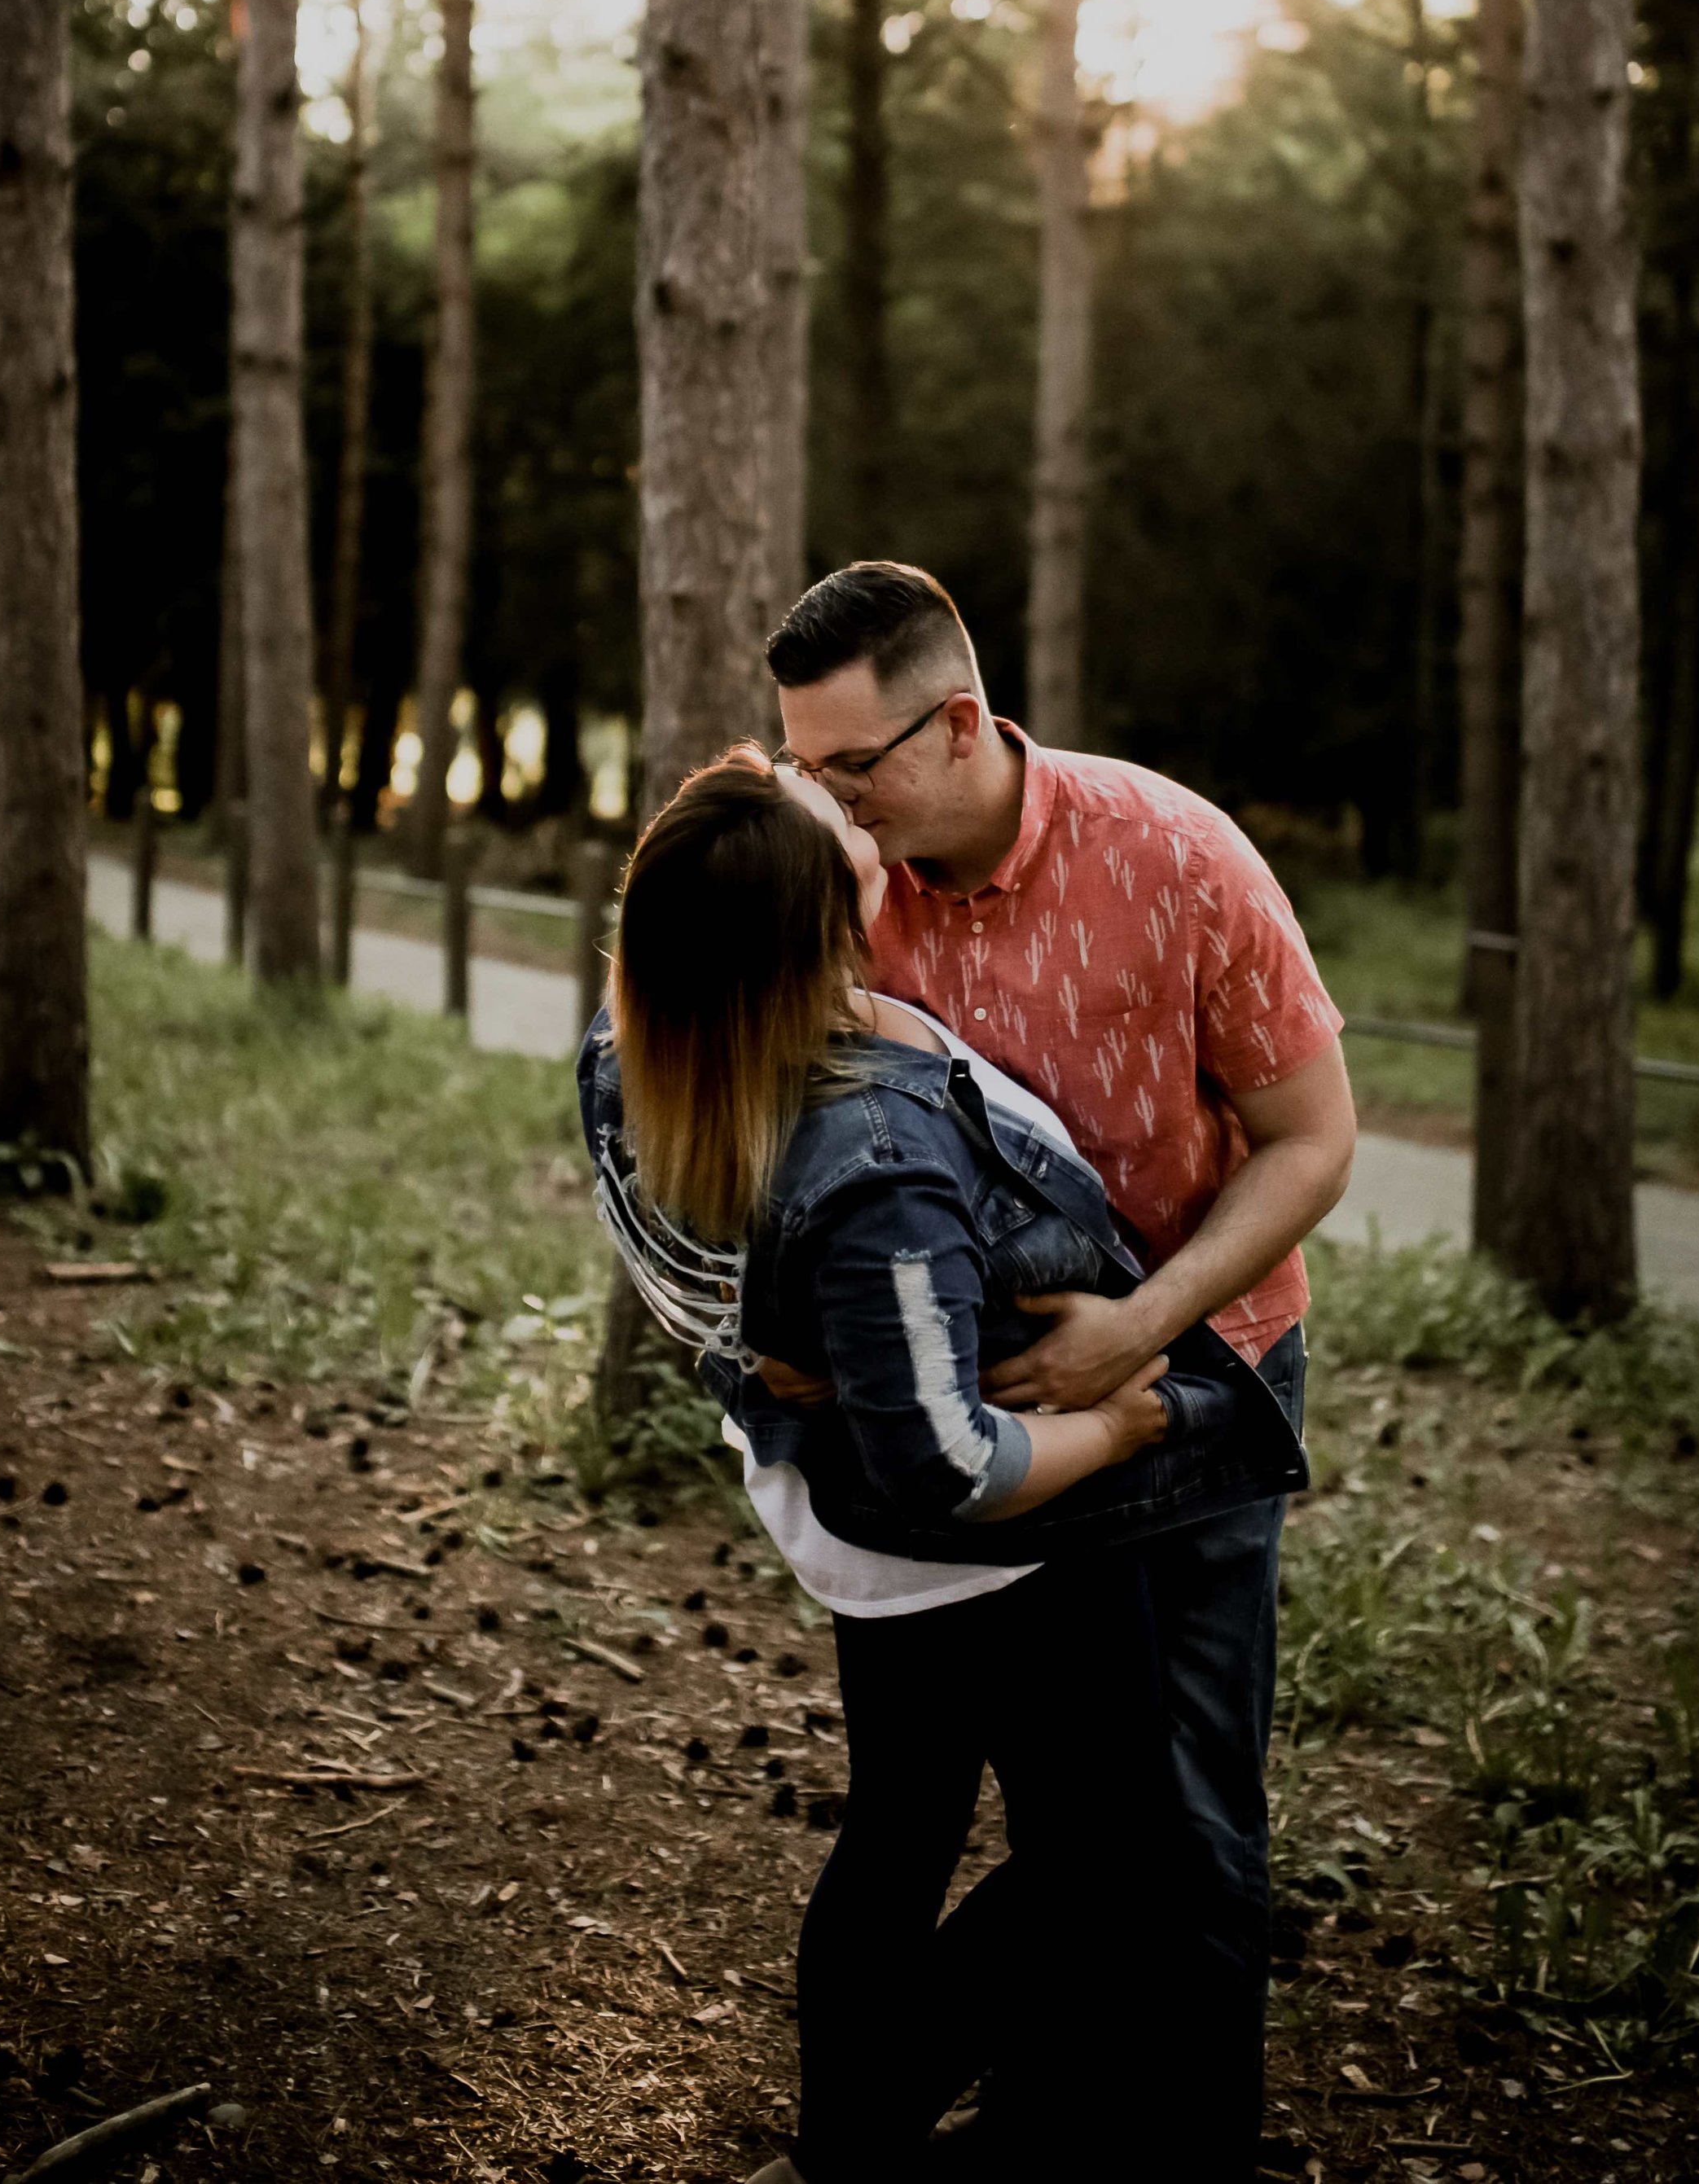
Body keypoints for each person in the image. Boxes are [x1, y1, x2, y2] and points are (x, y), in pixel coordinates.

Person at [577, 747, 1310, 2184]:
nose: (852, 812)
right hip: (994, 1538)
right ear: (816, 923)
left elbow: (690, 1264)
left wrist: (760, 1340)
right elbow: (949, 1467)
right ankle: (873, 2126)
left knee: (905, 1826)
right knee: (1115, 1859)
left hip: (859, 1524)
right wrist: (1116, 1422)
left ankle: (883, 2131)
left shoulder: (662, 1018)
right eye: (833, 818)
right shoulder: (872, 1155)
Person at [762, 560, 1356, 2180]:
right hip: (977, 1437)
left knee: (1185, 1831)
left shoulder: (1171, 856)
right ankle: (1017, 2116)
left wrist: (1139, 1328)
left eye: (846, 767)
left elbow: (1313, 1140)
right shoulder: (839, 886)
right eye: (795, 767)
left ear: (955, 726)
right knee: (1059, 1821)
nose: (820, 801)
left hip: (1189, 1384)